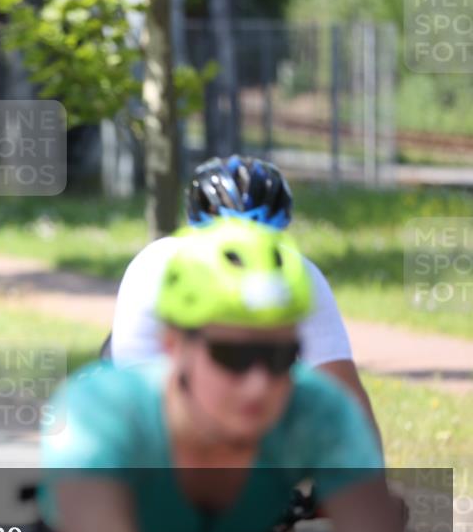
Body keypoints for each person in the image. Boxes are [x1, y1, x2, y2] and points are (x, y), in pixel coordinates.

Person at [38, 219, 447, 532]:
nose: (258, 384)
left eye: (281, 357)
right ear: (173, 346)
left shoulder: (318, 411)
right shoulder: (99, 412)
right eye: (232, 356)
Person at [110, 156, 378, 440]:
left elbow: (346, 397)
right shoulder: (155, 268)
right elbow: (138, 391)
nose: (245, 256)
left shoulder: (300, 275)